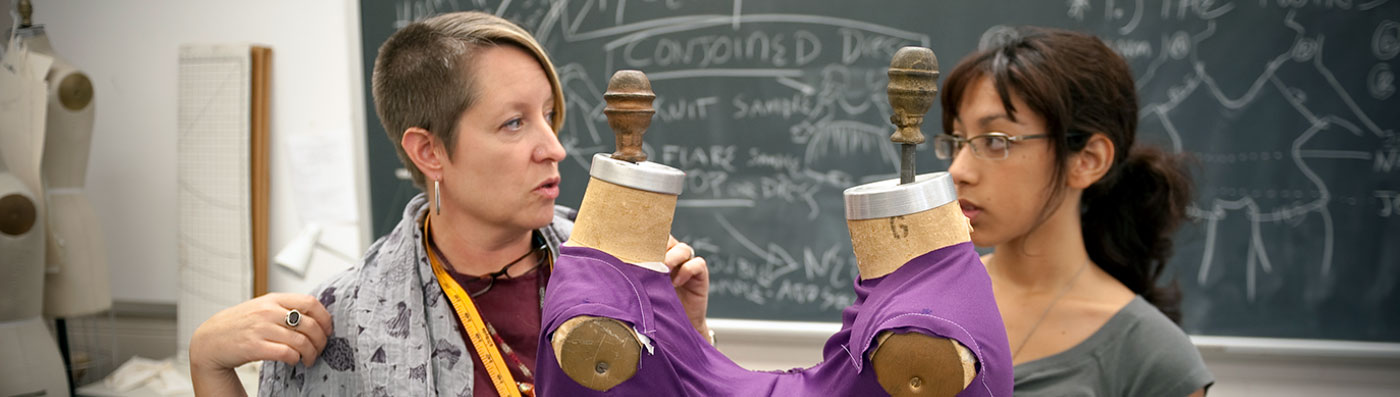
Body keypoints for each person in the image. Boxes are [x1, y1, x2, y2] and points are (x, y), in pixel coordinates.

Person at [187, 11, 711, 396]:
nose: (553, 148)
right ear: (429, 151)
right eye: (513, 123)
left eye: (548, 116)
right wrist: (208, 367)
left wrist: (689, 339)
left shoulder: (619, 269)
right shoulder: (343, 320)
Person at [935, 27, 1213, 396]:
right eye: (958, 141)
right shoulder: (926, 300)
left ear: (1087, 160)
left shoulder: (1152, 357)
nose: (958, 171)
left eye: (995, 141)